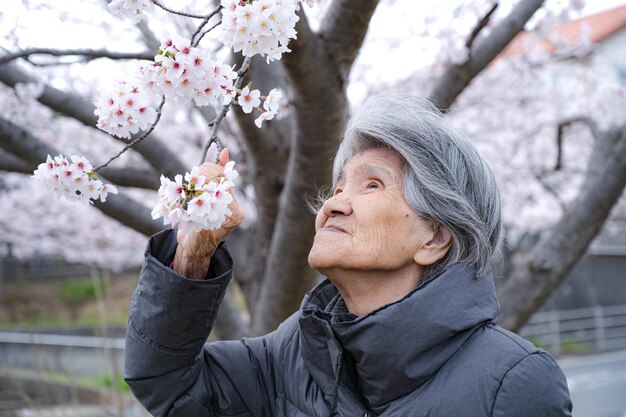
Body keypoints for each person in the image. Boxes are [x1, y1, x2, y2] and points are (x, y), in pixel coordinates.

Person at [124, 96, 573, 417]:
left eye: (371, 185)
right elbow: (169, 385)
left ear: (434, 237)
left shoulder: (513, 383)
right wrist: (192, 257)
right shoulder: (291, 355)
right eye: (338, 187)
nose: (334, 204)